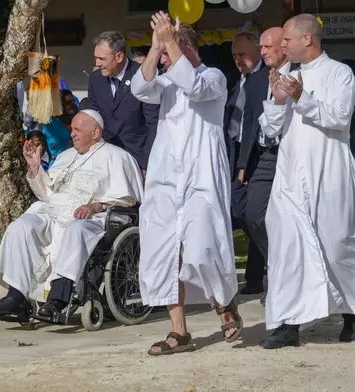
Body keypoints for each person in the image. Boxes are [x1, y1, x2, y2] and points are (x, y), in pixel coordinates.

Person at [131, 13, 241, 355]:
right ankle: (179, 331)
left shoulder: (215, 77)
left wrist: (170, 45)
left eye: (168, 52)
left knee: (202, 246)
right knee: (164, 251)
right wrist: (154, 47)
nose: (165, 61)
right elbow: (140, 87)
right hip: (166, 178)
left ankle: (224, 305)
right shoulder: (165, 83)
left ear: (187, 48)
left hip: (202, 175)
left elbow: (193, 86)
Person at [0, 110, 143, 321]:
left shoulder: (117, 156)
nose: (72, 134)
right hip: (54, 213)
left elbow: (127, 200)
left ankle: (58, 300)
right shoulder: (66, 156)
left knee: (76, 229)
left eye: (77, 130)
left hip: (94, 219)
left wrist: (95, 206)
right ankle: (17, 296)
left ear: (95, 132)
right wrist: (36, 169)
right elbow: (47, 194)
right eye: (72, 129)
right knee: (21, 226)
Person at [259, 14, 355, 349]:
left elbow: (340, 118)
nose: (282, 45)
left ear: (307, 40)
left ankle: (351, 313)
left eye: (287, 39)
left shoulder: (340, 73)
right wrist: (277, 101)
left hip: (328, 171)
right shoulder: (285, 74)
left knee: (336, 244)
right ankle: (288, 323)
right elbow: (270, 130)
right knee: (285, 246)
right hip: (289, 175)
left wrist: (302, 98)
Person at [237, 27, 299, 302]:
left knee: (291, 218)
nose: (262, 52)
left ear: (284, 47)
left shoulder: (302, 73)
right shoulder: (254, 80)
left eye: (267, 47)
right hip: (263, 156)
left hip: (294, 156)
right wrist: (242, 163)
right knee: (254, 216)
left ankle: (289, 277)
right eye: (260, 47)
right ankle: (277, 265)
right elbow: (248, 123)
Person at [224, 32, 266, 295]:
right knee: (230, 212)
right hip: (231, 150)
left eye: (243, 55)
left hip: (255, 155)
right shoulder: (232, 81)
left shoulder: (265, 79)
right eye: (234, 56)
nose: (239, 60)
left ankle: (254, 277)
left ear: (259, 51)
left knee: (253, 215)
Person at [88, 31, 159, 175]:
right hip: (107, 158)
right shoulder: (95, 80)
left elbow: (154, 123)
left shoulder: (142, 75)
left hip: (139, 159)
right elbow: (93, 118)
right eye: (96, 58)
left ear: (119, 56)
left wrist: (148, 162)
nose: (97, 63)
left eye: (102, 58)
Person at [38, 89, 77, 165]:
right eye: (68, 103)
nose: (72, 105)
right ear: (59, 104)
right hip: (57, 165)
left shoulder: (77, 120)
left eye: (73, 101)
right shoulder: (49, 124)